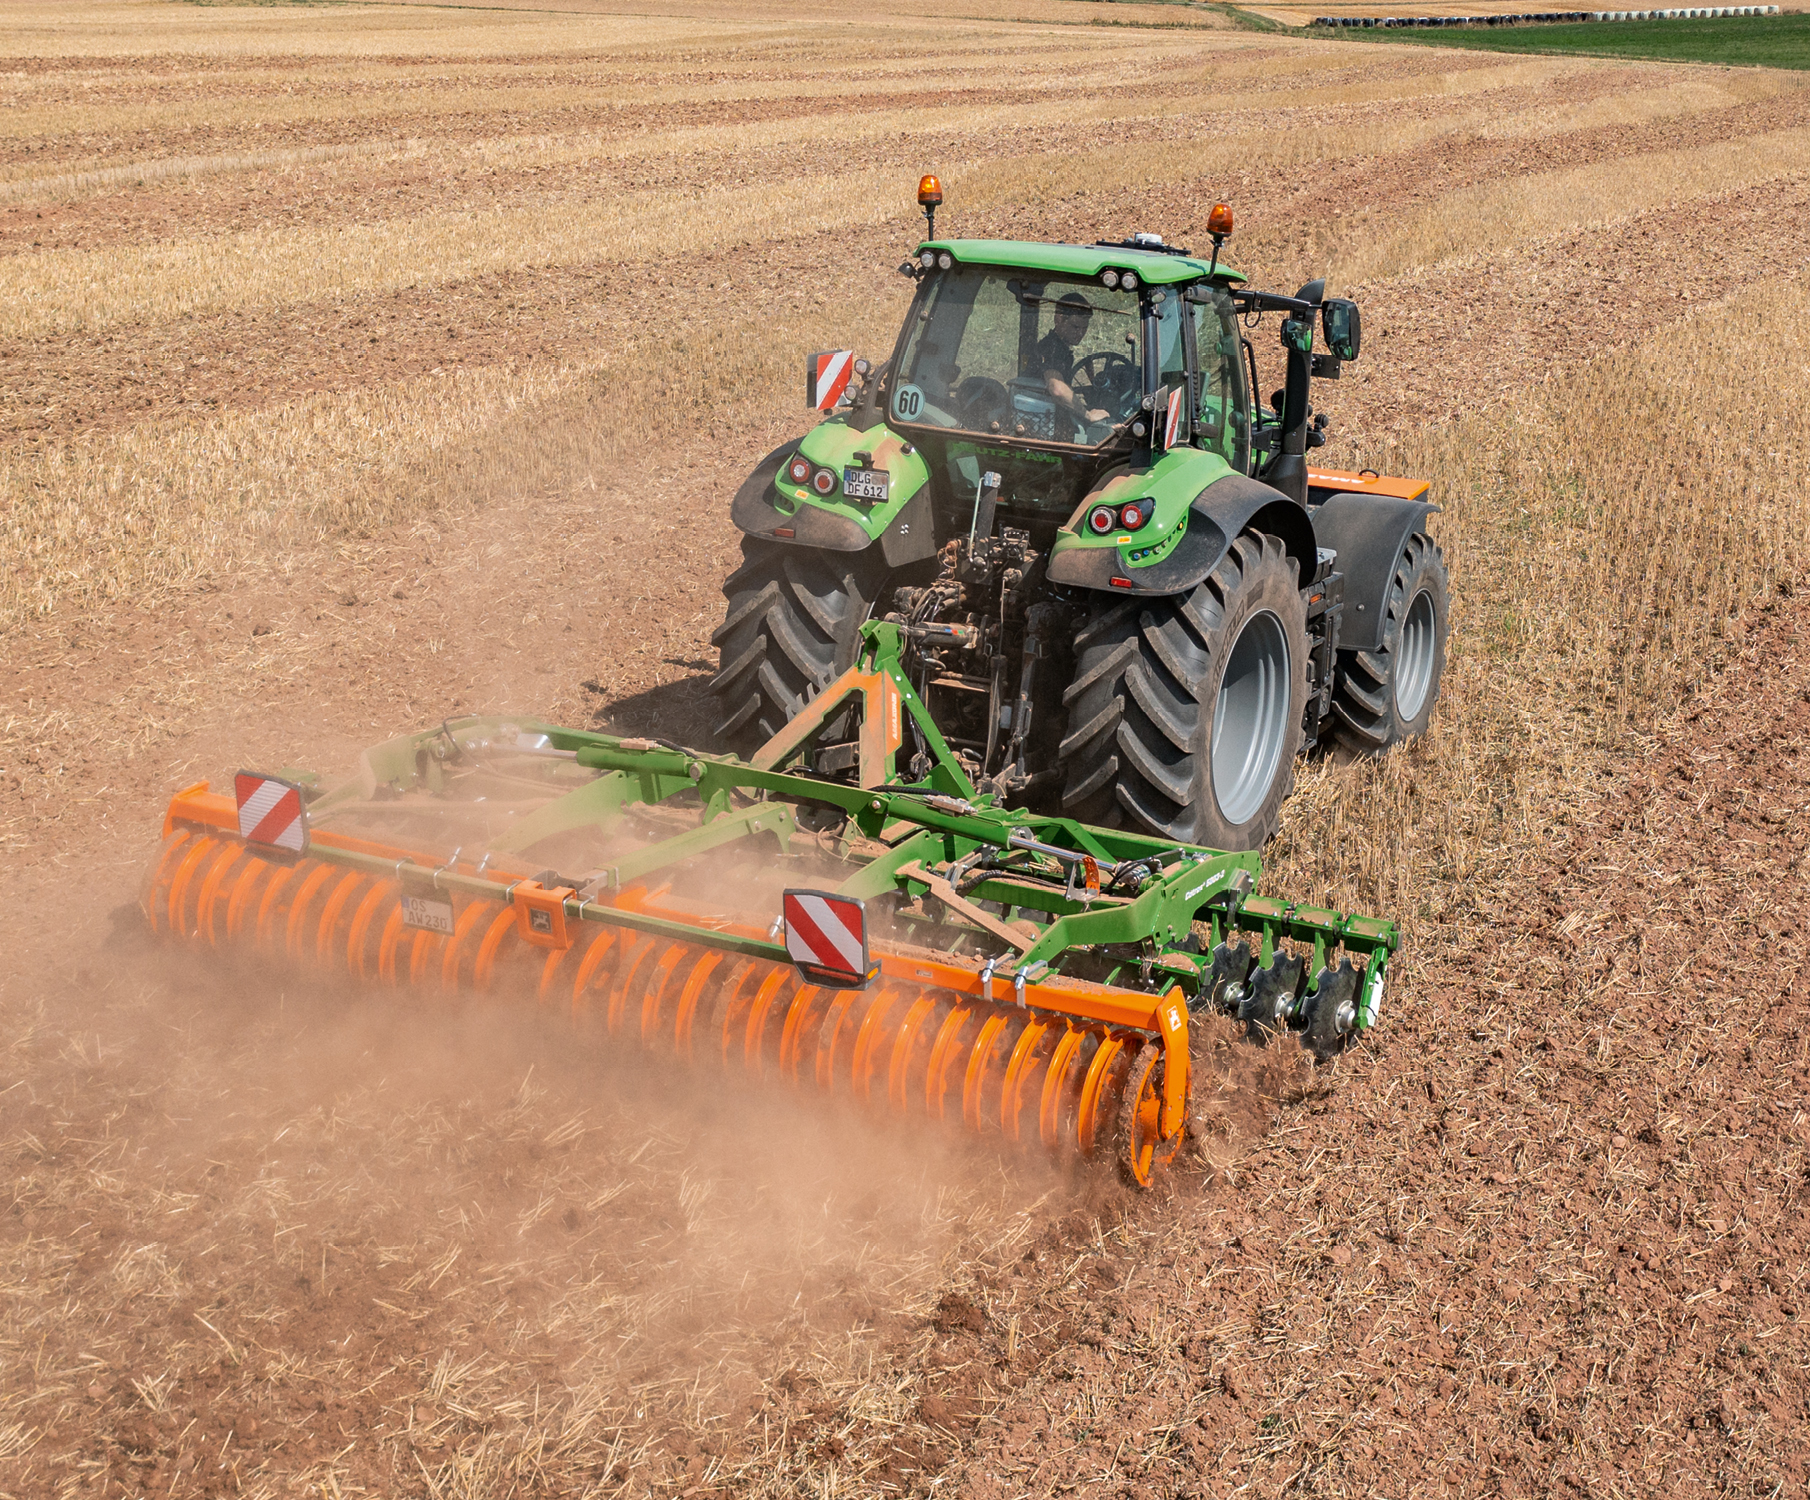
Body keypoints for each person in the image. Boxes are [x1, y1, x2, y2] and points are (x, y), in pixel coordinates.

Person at [1036, 292, 1109, 426]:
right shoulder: (1052, 348)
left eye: (1084, 328)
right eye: (1075, 327)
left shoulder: (1059, 347)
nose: (1080, 333)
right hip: (1044, 420)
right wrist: (1088, 415)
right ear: (1058, 319)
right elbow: (1056, 388)